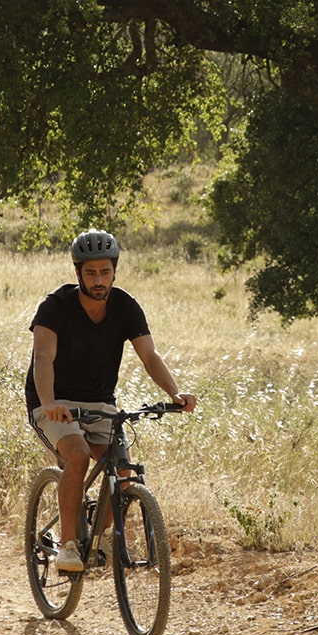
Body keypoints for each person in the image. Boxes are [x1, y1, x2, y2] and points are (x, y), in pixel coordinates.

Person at [25, 228, 195, 573]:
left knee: (124, 471)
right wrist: (49, 402)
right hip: (53, 399)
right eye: (91, 273)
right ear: (77, 273)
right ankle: (69, 547)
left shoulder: (126, 306)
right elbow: (42, 357)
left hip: (100, 401)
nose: (99, 280)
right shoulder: (55, 306)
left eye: (105, 272)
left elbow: (149, 355)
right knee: (78, 455)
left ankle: (102, 539)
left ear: (114, 270)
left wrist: (174, 393)